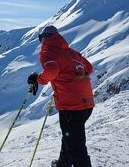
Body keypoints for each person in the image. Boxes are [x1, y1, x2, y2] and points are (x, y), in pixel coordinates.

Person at [28, 25, 94, 167]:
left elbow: (52, 70)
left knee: (76, 148)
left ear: (45, 37)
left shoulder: (49, 51)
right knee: (70, 137)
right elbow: (89, 68)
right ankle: (62, 164)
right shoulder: (73, 53)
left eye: (41, 39)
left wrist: (38, 79)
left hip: (72, 106)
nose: (42, 42)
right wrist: (69, 78)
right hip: (87, 103)